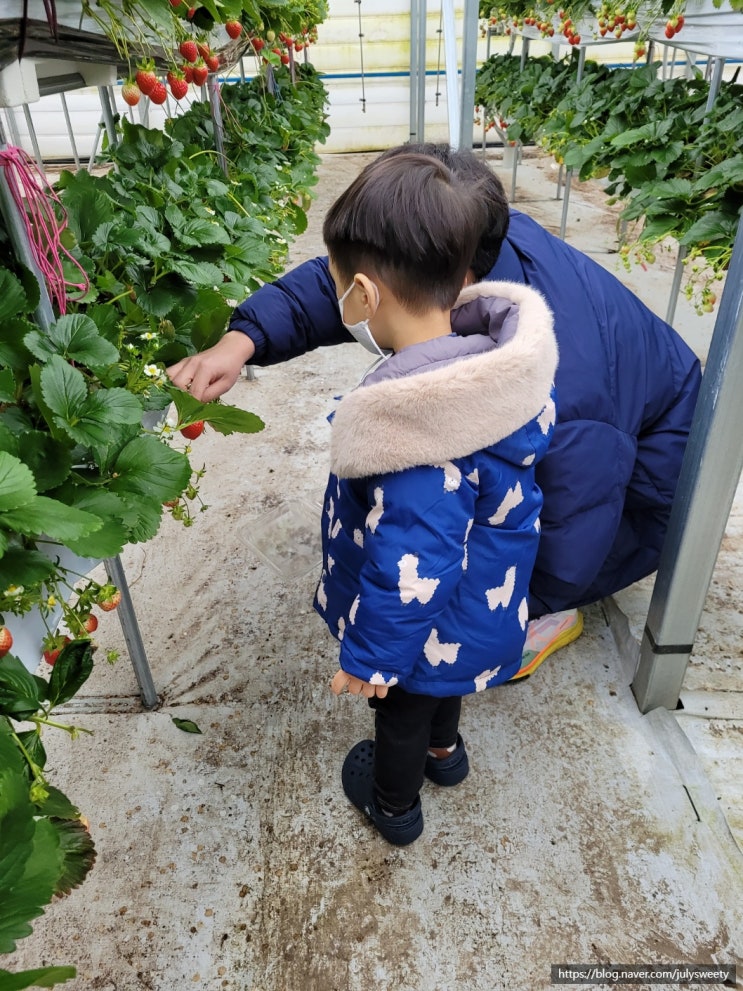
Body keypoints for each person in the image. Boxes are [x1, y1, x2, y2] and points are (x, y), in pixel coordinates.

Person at [167, 143, 702, 681]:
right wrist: (244, 338)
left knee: (509, 553)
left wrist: (511, 612)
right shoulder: (452, 244)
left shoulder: (560, 385)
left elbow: (576, 518)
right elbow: (344, 280)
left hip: (652, 479)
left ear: (454, 281)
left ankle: (550, 620)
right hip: (604, 437)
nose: (346, 289)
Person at [313, 150, 557, 844]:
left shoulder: (417, 431)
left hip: (425, 624)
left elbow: (411, 567)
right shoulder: (494, 374)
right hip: (481, 603)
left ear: (362, 293)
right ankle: (445, 756)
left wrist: (370, 659)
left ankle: (394, 805)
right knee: (443, 687)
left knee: (401, 707)